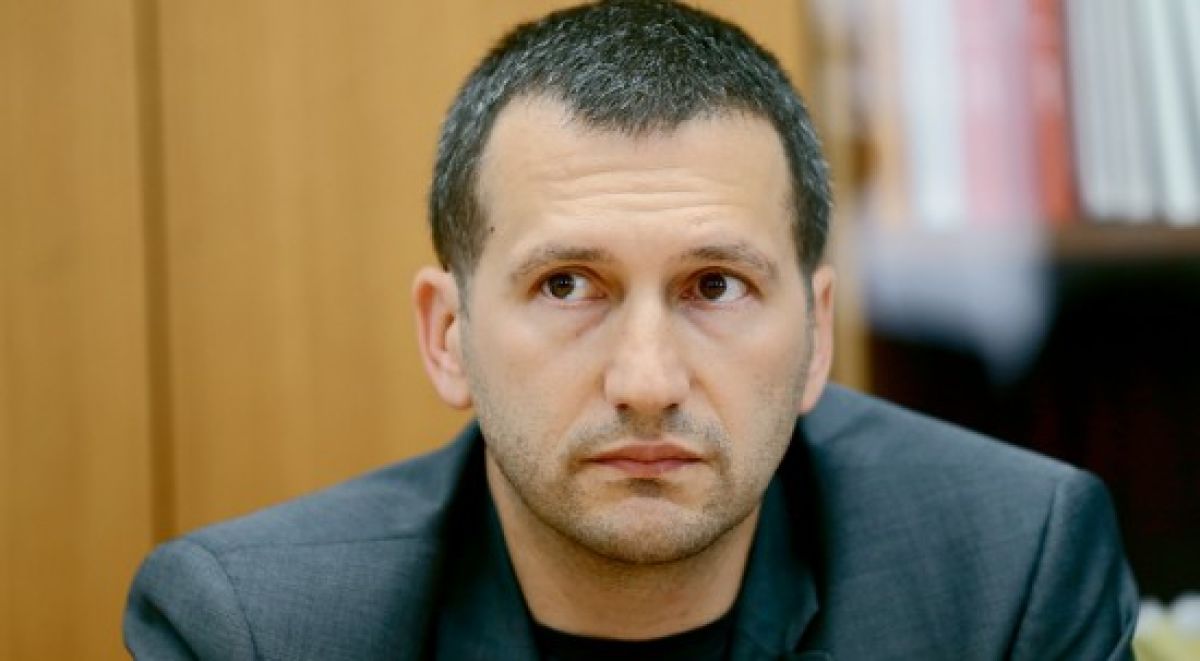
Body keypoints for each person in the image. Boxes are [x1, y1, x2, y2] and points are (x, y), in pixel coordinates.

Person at [123, 1, 1139, 659]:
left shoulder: (1009, 570)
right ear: (448, 335)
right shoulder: (256, 630)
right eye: (567, 284)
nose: (647, 381)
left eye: (715, 285)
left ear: (817, 338)